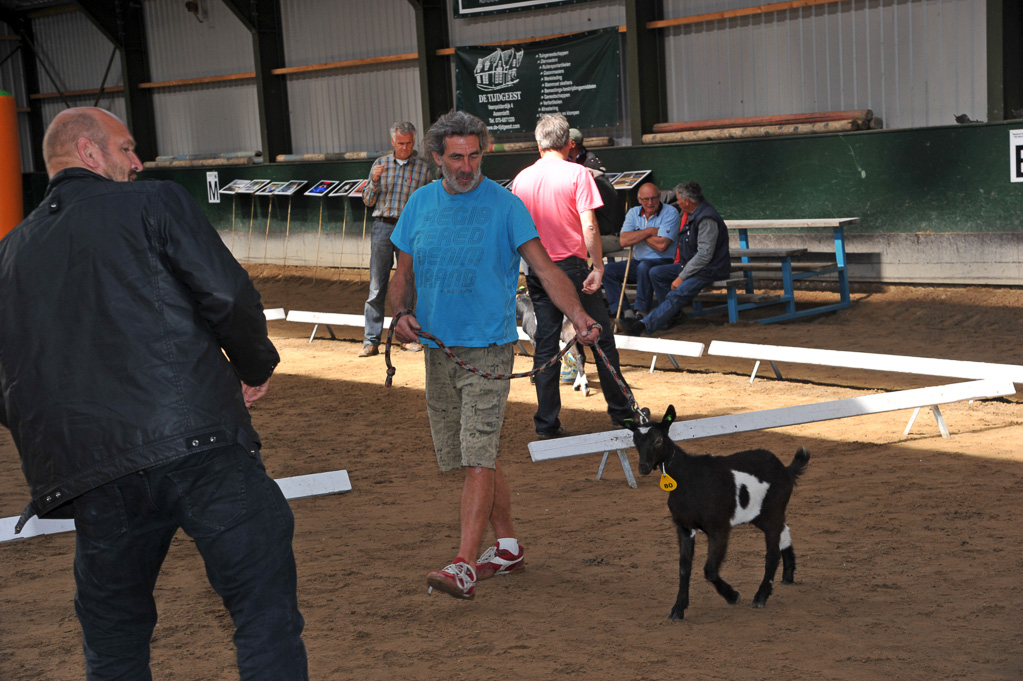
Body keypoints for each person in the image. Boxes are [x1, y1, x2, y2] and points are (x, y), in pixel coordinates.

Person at [0, 108, 308, 680]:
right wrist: (254, 364)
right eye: (127, 148)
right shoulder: (154, 202)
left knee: (114, 638)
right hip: (199, 446)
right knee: (263, 612)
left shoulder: (8, 255)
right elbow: (226, 294)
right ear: (89, 153)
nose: (138, 162)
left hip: (94, 477)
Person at [389, 111, 601, 600]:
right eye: (456, 157)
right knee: (472, 453)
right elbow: (403, 271)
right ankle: (507, 547)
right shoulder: (420, 204)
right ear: (437, 158)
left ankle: (464, 563)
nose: (467, 166)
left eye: (475, 155)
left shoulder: (506, 206)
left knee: (478, 452)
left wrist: (580, 316)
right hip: (437, 349)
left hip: (490, 349)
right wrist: (399, 314)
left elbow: (546, 271)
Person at [512, 113, 638, 437]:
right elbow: (590, 225)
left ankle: (546, 422)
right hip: (571, 266)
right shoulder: (578, 174)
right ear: (569, 143)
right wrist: (597, 265)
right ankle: (624, 414)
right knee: (600, 339)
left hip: (537, 268)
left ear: (538, 144)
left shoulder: (521, 179)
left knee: (546, 344)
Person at [618, 181, 731, 336]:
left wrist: (681, 277)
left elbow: (704, 256)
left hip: (708, 269)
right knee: (656, 272)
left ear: (686, 201)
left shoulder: (706, 218)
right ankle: (673, 315)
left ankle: (643, 326)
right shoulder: (692, 214)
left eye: (678, 199)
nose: (677, 202)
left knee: (677, 293)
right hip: (692, 265)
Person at [359, 121, 432, 357]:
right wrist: (375, 181)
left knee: (409, 281)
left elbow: (428, 203)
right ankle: (371, 340)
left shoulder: (423, 168)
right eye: (401, 143)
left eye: (409, 143)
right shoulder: (379, 165)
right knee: (377, 284)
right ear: (392, 142)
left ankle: (407, 336)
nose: (405, 147)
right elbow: (368, 201)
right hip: (383, 226)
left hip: (410, 230)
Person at [602, 182, 680, 319]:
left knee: (644, 267)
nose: (650, 203)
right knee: (608, 270)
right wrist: (649, 232)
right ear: (639, 200)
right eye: (646, 199)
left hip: (664, 262)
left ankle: (641, 311)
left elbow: (662, 245)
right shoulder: (633, 212)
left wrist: (638, 234)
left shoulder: (670, 212)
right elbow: (623, 240)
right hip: (638, 261)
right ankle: (624, 312)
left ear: (659, 197)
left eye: (654, 198)